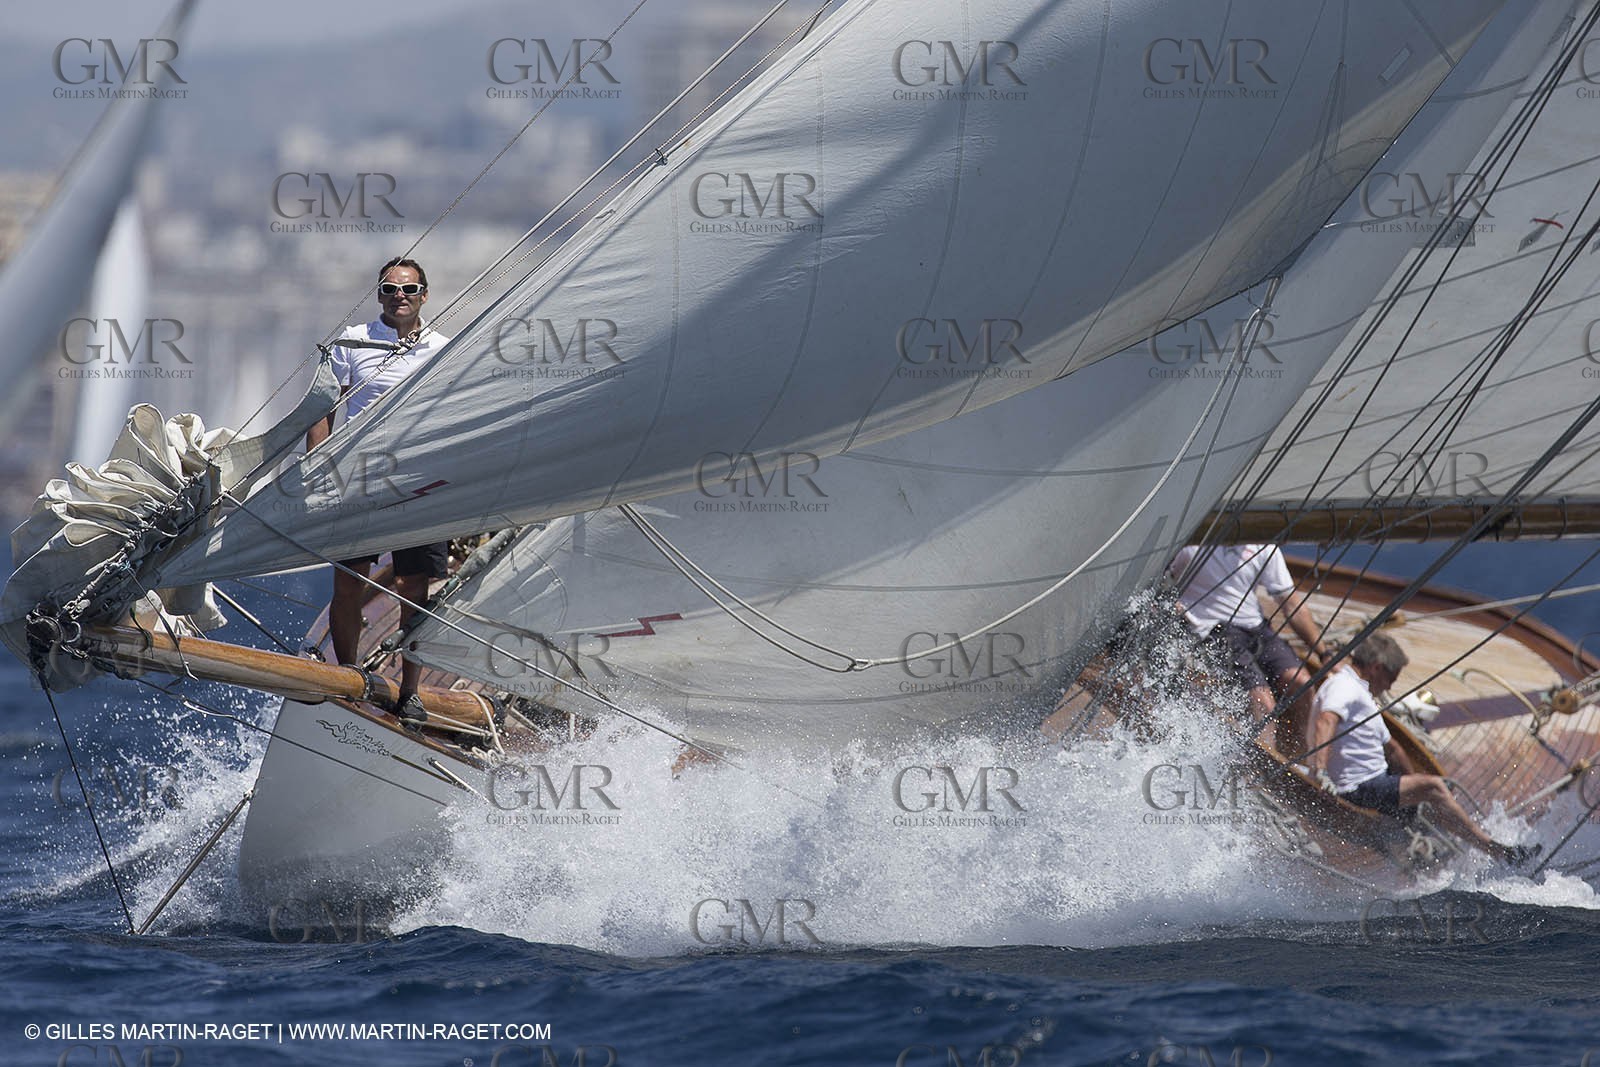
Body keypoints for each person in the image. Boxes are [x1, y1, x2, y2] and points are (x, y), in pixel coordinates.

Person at [306, 256, 452, 720]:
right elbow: (323, 408)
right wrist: (319, 466)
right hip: (360, 479)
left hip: (418, 483)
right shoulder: (353, 341)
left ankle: (411, 691)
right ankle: (348, 677)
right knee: (349, 580)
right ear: (379, 296)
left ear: (424, 295)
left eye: (408, 289)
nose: (399, 297)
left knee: (414, 587)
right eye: (389, 289)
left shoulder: (443, 349)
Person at [1308, 631, 1535, 865]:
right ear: (1376, 668)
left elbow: (1393, 749)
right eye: (1391, 678)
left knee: (1431, 797)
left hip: (1376, 783)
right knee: (1433, 788)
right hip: (1357, 788)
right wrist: (1320, 771)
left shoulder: (1360, 693)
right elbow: (1325, 720)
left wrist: (1411, 782)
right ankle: (1498, 852)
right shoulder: (1344, 686)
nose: (1390, 685)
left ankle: (1435, 854)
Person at [1169, 543, 1331, 757]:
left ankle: (1305, 762)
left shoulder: (1263, 545)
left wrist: (1324, 653)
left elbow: (1291, 604)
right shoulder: (1193, 542)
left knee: (1301, 683)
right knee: (1263, 702)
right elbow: (1159, 578)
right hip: (1213, 629)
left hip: (1256, 627)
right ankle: (1264, 768)